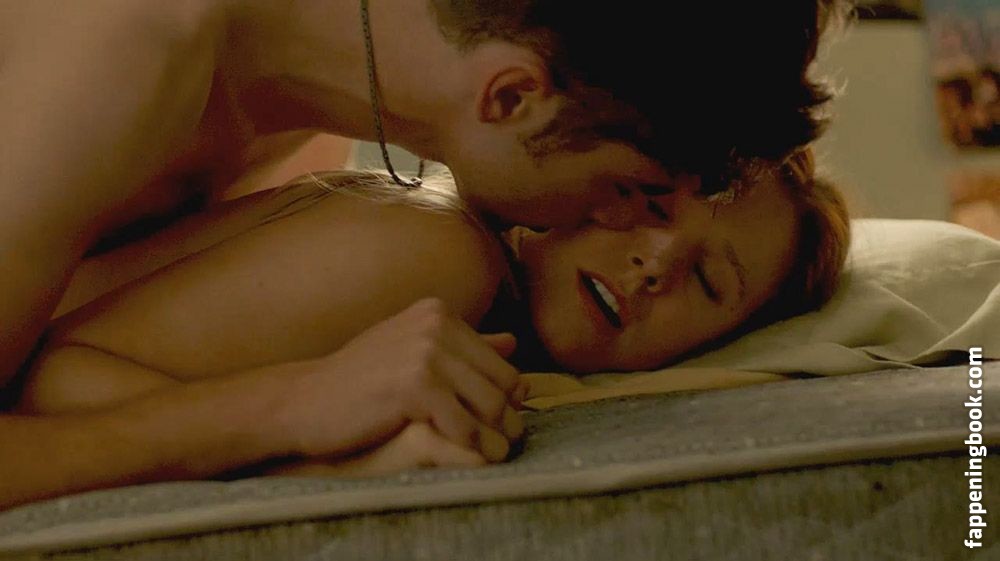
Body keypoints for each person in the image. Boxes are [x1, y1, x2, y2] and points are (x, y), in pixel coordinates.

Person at [0, 0, 847, 508]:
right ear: (510, 96)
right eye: (629, 191)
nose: (632, 231)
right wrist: (297, 419)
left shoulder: (296, 95)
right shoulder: (119, 62)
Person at [12, 147, 850, 481]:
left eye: (708, 281)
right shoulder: (442, 253)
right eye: (652, 201)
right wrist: (319, 462)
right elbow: (49, 378)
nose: (656, 264)